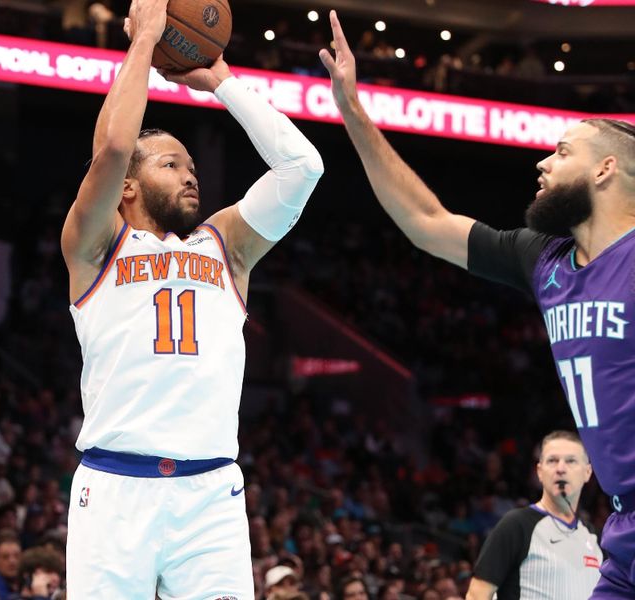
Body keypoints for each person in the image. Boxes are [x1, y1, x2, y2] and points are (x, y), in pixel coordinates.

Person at [319, 9, 635, 598]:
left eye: (562, 152)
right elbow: (425, 221)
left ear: (605, 169)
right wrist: (352, 111)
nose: (543, 162)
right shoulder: (543, 259)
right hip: (623, 532)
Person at [59, 0, 323, 595]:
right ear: (129, 185)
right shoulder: (96, 245)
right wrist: (145, 40)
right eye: (171, 163)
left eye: (192, 166)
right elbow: (111, 149)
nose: (190, 176)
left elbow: (302, 166)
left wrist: (221, 81)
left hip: (210, 494)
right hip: (113, 488)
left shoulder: (225, 244)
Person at [466, 430, 601, 599]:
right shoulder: (516, 525)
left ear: (587, 472)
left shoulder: (594, 538)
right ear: (539, 471)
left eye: (571, 461)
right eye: (552, 461)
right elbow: (476, 595)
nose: (560, 468)